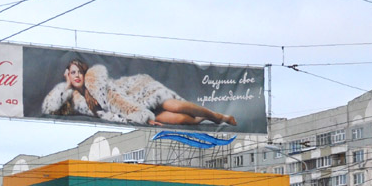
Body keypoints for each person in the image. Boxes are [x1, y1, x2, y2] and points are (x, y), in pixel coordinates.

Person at [41, 58, 236, 127]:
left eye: (78, 72)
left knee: (176, 105)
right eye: (71, 73)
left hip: (139, 92)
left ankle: (218, 116)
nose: (76, 76)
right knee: (182, 120)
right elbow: (51, 108)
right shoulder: (76, 100)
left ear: (84, 72)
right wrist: (66, 86)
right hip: (136, 109)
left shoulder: (97, 81)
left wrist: (142, 116)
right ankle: (204, 118)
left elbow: (119, 102)